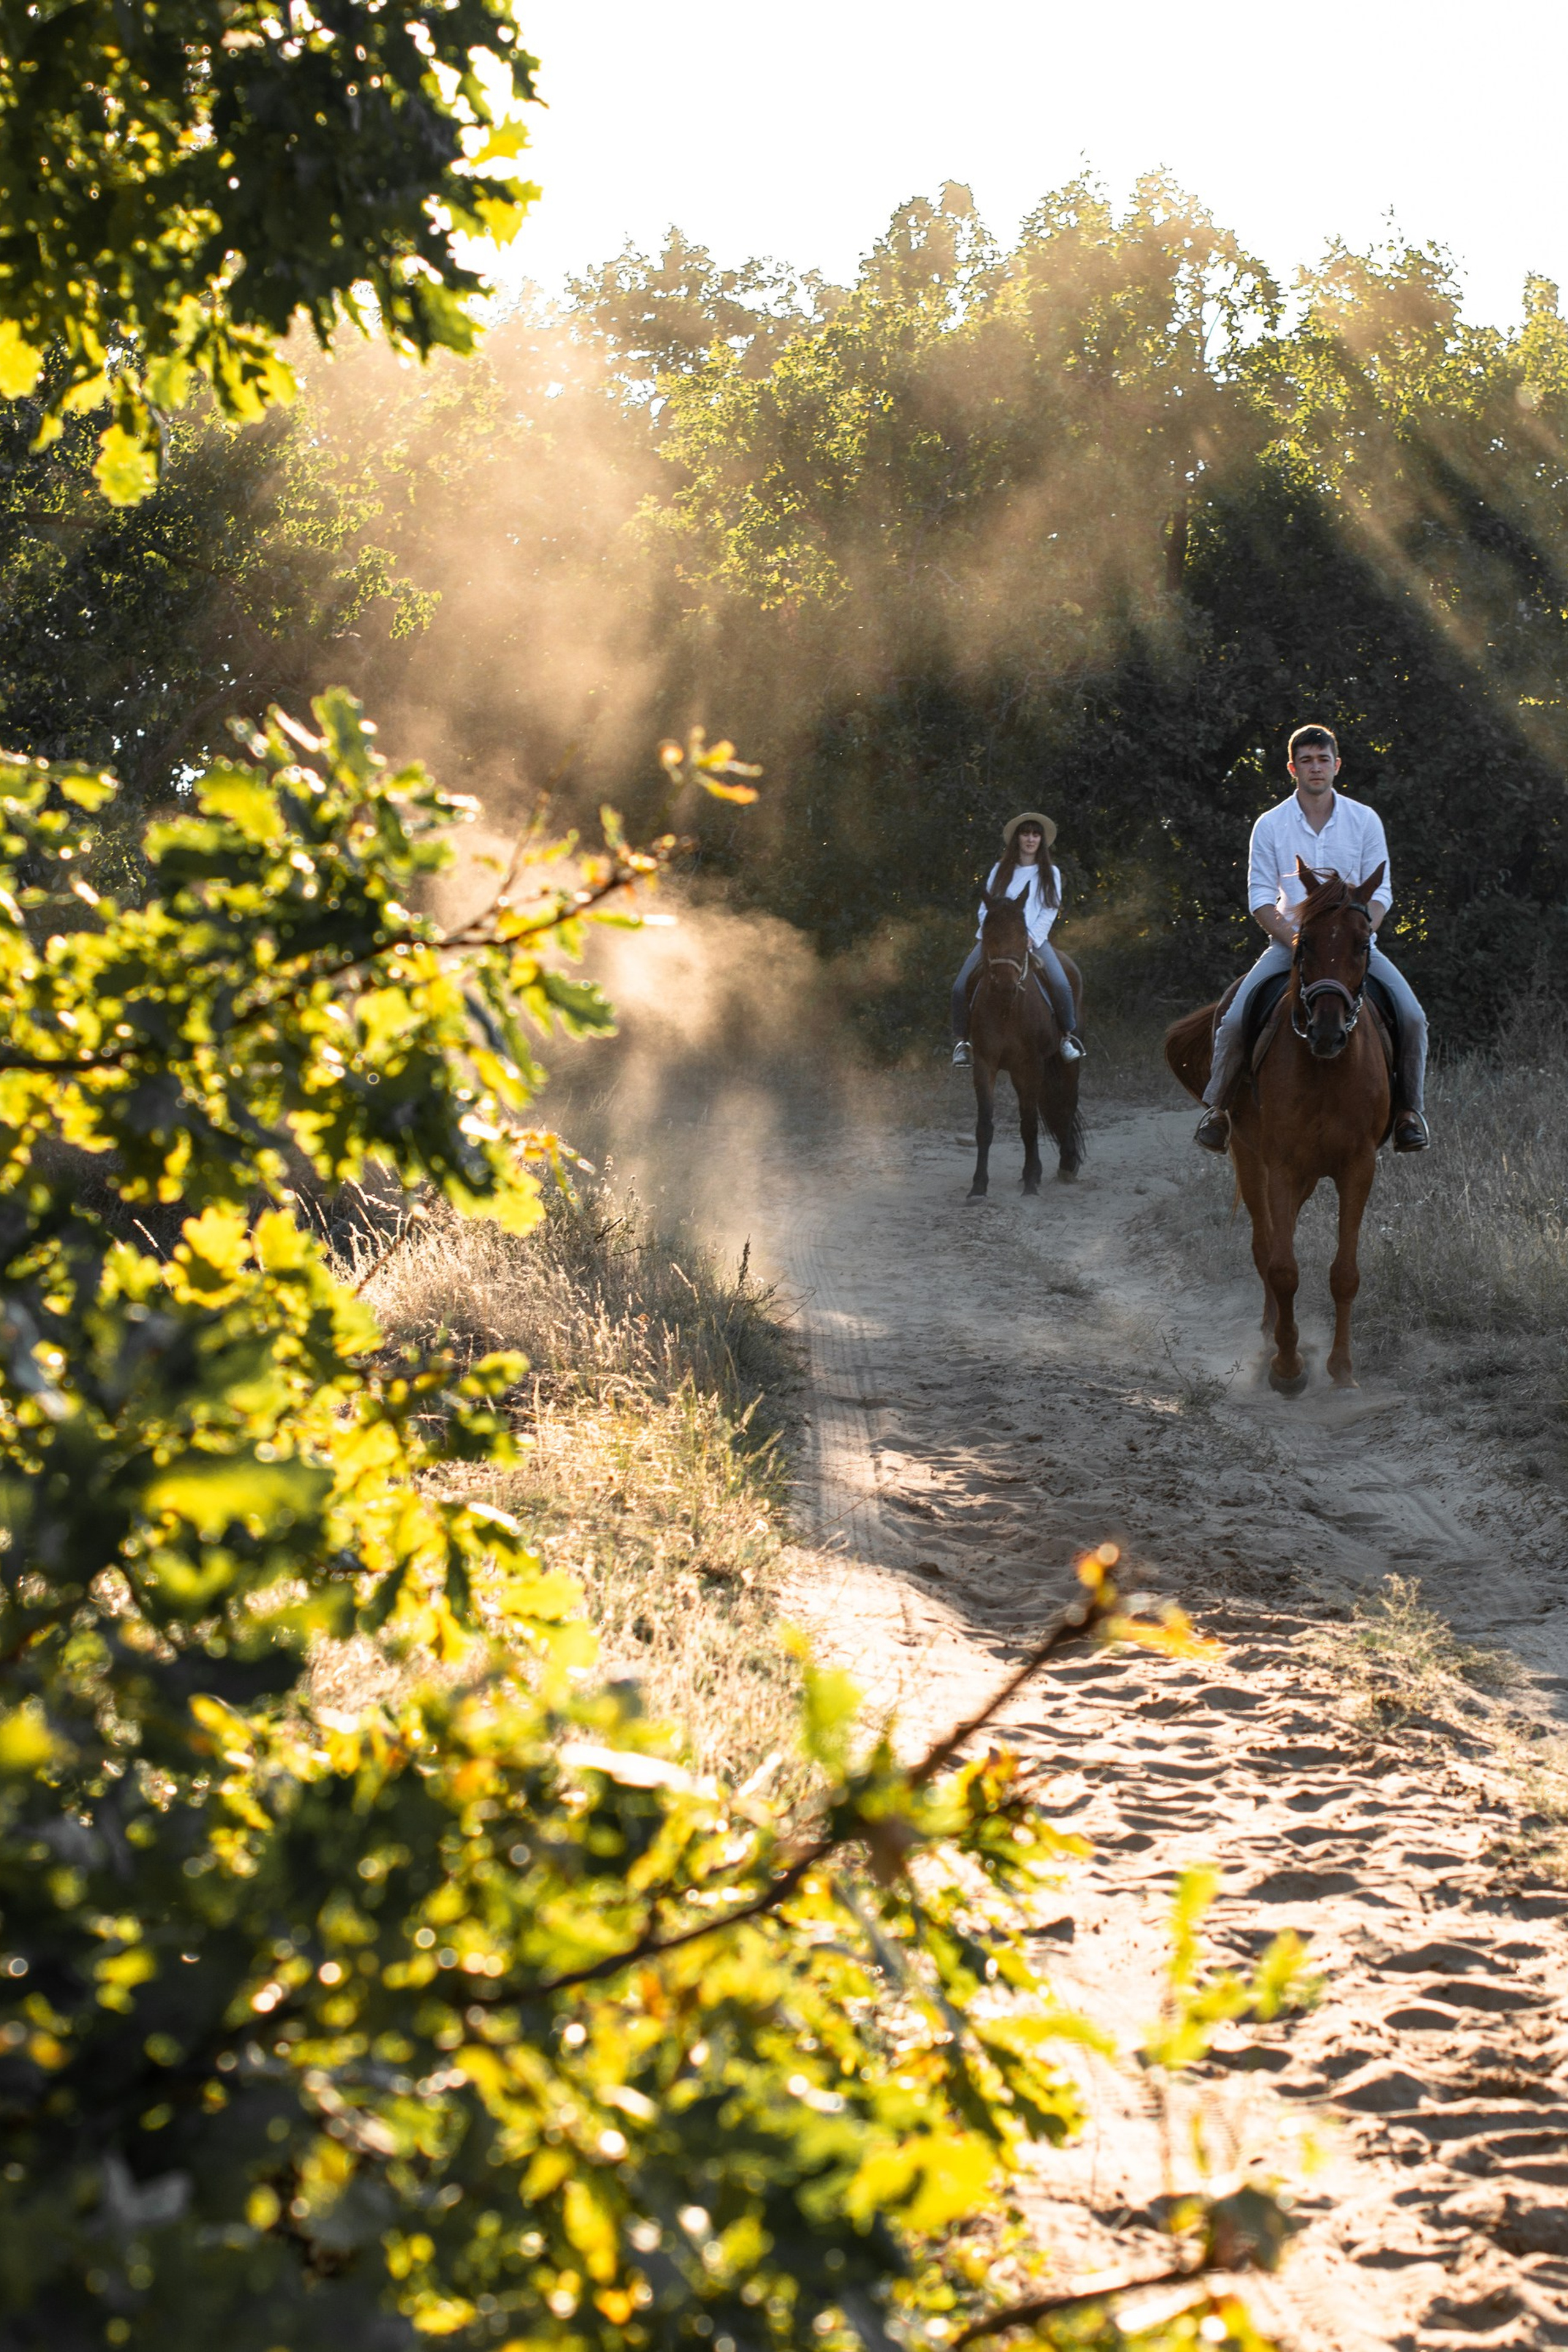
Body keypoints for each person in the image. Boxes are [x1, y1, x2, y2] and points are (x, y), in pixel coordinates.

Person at [1193, 725, 1430, 1154]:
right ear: (1292, 768)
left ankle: (1409, 1113)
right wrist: (1296, 939)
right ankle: (1220, 1110)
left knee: (1412, 1017)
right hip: (1291, 945)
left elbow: (1382, 893)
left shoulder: (1365, 820)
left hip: (1356, 948)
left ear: (1336, 765)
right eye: (1306, 760)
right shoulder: (1270, 825)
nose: (1315, 767)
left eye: (1323, 759)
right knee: (1233, 1019)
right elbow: (1261, 898)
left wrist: (1361, 935)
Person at [951, 810, 1085, 1067]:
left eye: (1036, 834)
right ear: (1017, 839)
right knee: (959, 986)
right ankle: (962, 1043)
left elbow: (1050, 909)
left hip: (1033, 939)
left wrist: (1031, 937)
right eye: (1026, 833)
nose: (1031, 839)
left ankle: (1067, 1038)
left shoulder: (1050, 873)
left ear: (1041, 840)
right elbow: (985, 909)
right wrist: (994, 936)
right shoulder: (1000, 870)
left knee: (1061, 984)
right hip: (996, 942)